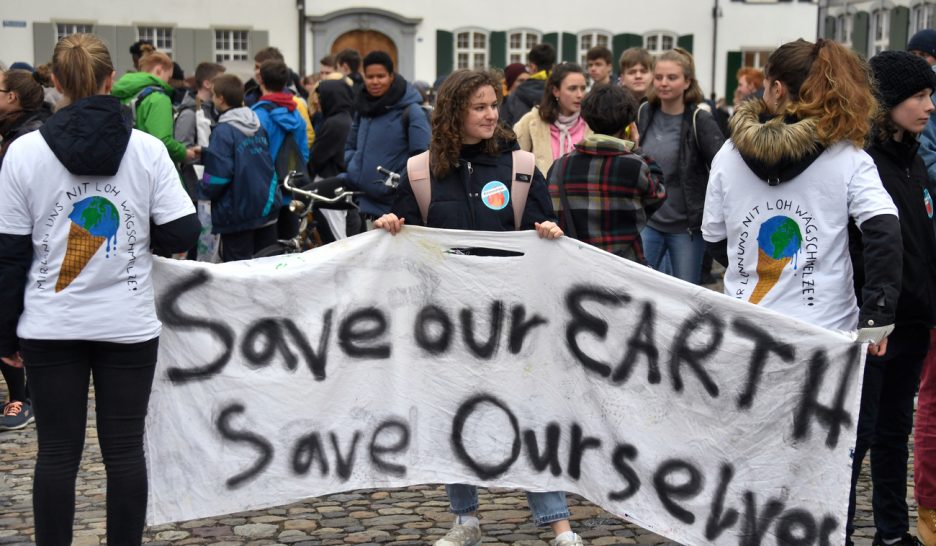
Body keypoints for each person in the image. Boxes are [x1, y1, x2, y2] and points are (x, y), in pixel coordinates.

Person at [0, 33, 198, 545]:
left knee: (58, 453)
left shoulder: (22, 152)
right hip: (126, 323)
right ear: (113, 80)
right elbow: (183, 232)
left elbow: (9, 255)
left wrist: (4, 338)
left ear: (57, 84)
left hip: (49, 323)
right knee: (125, 450)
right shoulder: (149, 150)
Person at [372, 68, 578, 546]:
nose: (491, 115)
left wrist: (546, 230)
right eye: (480, 106)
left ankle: (559, 524)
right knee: (453, 413)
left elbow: (541, 225)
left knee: (527, 413)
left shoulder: (520, 167)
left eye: (494, 105)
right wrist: (387, 223)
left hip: (512, 319)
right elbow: (403, 226)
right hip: (448, 321)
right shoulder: (422, 171)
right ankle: (465, 519)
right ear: (454, 113)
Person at [701, 37, 901, 402]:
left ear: (777, 89)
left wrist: (753, 268)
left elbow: (714, 238)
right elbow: (884, 230)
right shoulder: (848, 156)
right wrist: (876, 318)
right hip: (825, 330)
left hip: (747, 327)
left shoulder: (728, 154)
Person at [863, 51, 936, 546]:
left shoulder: (914, 162)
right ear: (888, 102)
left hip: (915, 319)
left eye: (930, 95)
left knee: (894, 433)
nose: (929, 106)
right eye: (919, 96)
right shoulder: (864, 163)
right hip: (876, 327)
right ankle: (838, 531)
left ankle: (892, 532)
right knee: (858, 436)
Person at [546, 84, 665, 263]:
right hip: (626, 267)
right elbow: (659, 193)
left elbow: (554, 214)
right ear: (628, 125)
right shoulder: (635, 166)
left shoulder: (560, 166)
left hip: (577, 268)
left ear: (586, 117)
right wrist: (637, 148)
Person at [637, 48, 724, 285]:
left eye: (672, 78)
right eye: (659, 77)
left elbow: (722, 167)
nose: (663, 83)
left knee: (686, 294)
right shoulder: (645, 112)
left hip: (686, 228)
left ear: (687, 82)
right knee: (641, 286)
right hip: (649, 221)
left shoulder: (700, 120)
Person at [0, 68, 52, 431]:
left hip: (27, 240)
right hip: (16, 237)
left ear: (12, 98)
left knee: (17, 314)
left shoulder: (28, 138)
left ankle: (26, 397)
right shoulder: (13, 133)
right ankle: (21, 395)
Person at [200, 74, 281, 262]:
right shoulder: (257, 125)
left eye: (213, 96)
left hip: (236, 214)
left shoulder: (223, 131)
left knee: (238, 272)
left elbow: (217, 177)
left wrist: (202, 189)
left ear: (220, 98)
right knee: (267, 266)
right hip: (265, 207)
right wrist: (206, 153)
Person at [343, 50, 430, 220]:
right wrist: (354, 169)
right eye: (370, 77)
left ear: (391, 76)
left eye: (381, 76)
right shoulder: (362, 109)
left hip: (394, 208)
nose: (375, 82)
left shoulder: (411, 111)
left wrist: (393, 184)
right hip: (362, 200)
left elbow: (422, 157)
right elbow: (350, 145)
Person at [251, 59, 310, 240]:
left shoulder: (256, 116)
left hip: (265, 194)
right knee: (289, 248)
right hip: (291, 189)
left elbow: (253, 158)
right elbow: (304, 153)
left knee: (266, 252)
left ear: (260, 79)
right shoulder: (296, 114)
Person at [111, 50, 197, 164]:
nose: (168, 82)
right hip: (149, 166)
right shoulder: (158, 98)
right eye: (169, 77)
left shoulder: (121, 92)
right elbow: (163, 141)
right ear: (159, 70)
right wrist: (184, 153)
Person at [513, 63, 592, 176]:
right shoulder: (530, 122)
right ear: (556, 91)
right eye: (572, 88)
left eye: (583, 88)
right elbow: (516, 167)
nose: (580, 94)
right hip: (542, 192)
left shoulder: (591, 123)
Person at [243, 47, 314, 147]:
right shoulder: (248, 99)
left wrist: (294, 159)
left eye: (262, 68)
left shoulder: (294, 102)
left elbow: (308, 136)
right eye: (256, 67)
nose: (257, 72)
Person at [501, 43, 556, 127]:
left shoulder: (515, 97)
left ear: (532, 67)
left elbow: (504, 128)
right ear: (553, 66)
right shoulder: (561, 94)